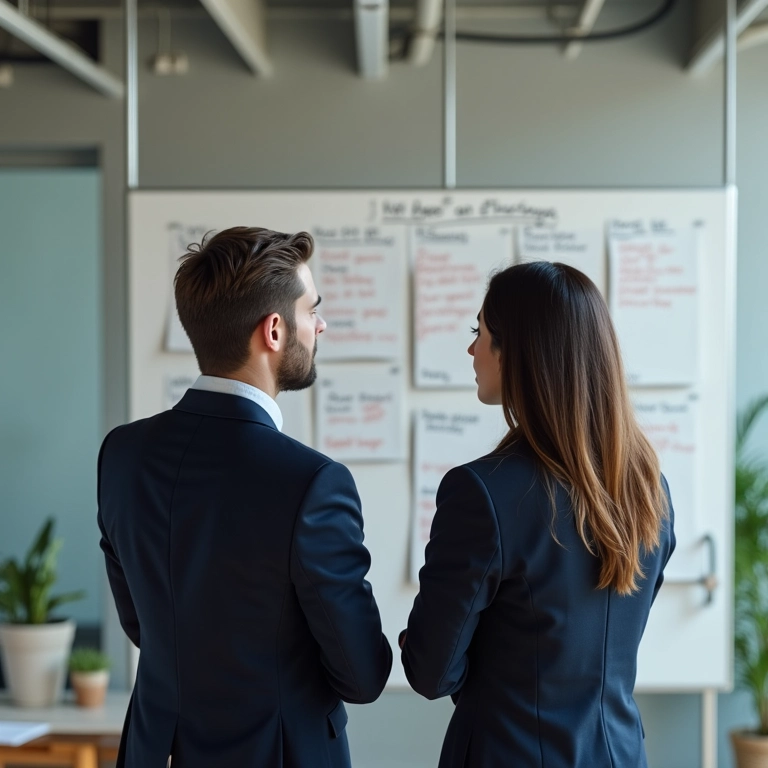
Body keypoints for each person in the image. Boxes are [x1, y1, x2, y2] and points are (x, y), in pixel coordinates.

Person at [98, 227, 392, 768]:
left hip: (153, 750)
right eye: (313, 309)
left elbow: (143, 624)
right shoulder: (312, 482)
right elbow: (362, 674)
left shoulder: (121, 455)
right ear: (274, 330)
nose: (321, 324)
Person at [401, 261, 675, 768]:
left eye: (478, 332)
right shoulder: (649, 489)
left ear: (517, 353)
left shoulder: (480, 493)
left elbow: (430, 670)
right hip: (619, 754)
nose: (471, 349)